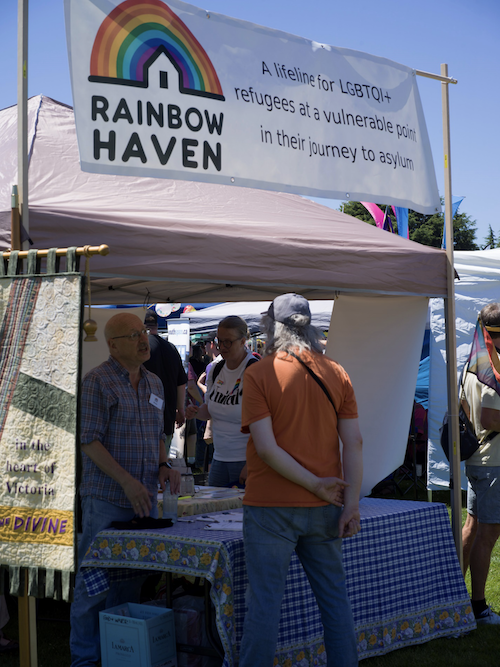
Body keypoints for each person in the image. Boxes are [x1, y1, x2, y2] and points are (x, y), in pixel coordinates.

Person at [238, 293, 362, 666]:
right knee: (335, 603)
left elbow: (267, 449)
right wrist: (350, 503)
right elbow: (353, 442)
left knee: (264, 607)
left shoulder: (259, 372)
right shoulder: (337, 371)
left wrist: (317, 486)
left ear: (270, 327)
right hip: (326, 504)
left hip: (271, 506)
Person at [70, 313, 181, 666]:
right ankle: (86, 660)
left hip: (143, 499)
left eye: (143, 333)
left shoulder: (155, 383)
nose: (143, 339)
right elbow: (88, 441)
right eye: (133, 335)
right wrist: (126, 481)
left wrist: (164, 464)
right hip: (107, 499)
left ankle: (120, 655)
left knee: (129, 583)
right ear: (113, 345)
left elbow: (156, 433)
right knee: (94, 586)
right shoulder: (97, 382)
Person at [462, 303, 500, 624]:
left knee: (473, 528)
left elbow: (465, 407)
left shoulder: (472, 361)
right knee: (487, 534)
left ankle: (455, 595)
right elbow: (489, 417)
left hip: (478, 457)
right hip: (493, 462)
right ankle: (477, 607)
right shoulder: (491, 365)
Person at [186, 316, 257, 486]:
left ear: (243, 341)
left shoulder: (254, 370)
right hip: (219, 458)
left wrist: (251, 463)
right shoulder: (216, 368)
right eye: (220, 341)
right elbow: (210, 409)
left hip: (244, 460)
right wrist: (196, 412)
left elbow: (264, 421)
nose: (222, 347)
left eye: (228, 342)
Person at [142, 310, 187, 453]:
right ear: (157, 324)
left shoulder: (140, 349)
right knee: (162, 466)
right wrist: (180, 410)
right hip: (167, 419)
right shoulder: (171, 348)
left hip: (144, 422)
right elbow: (181, 382)